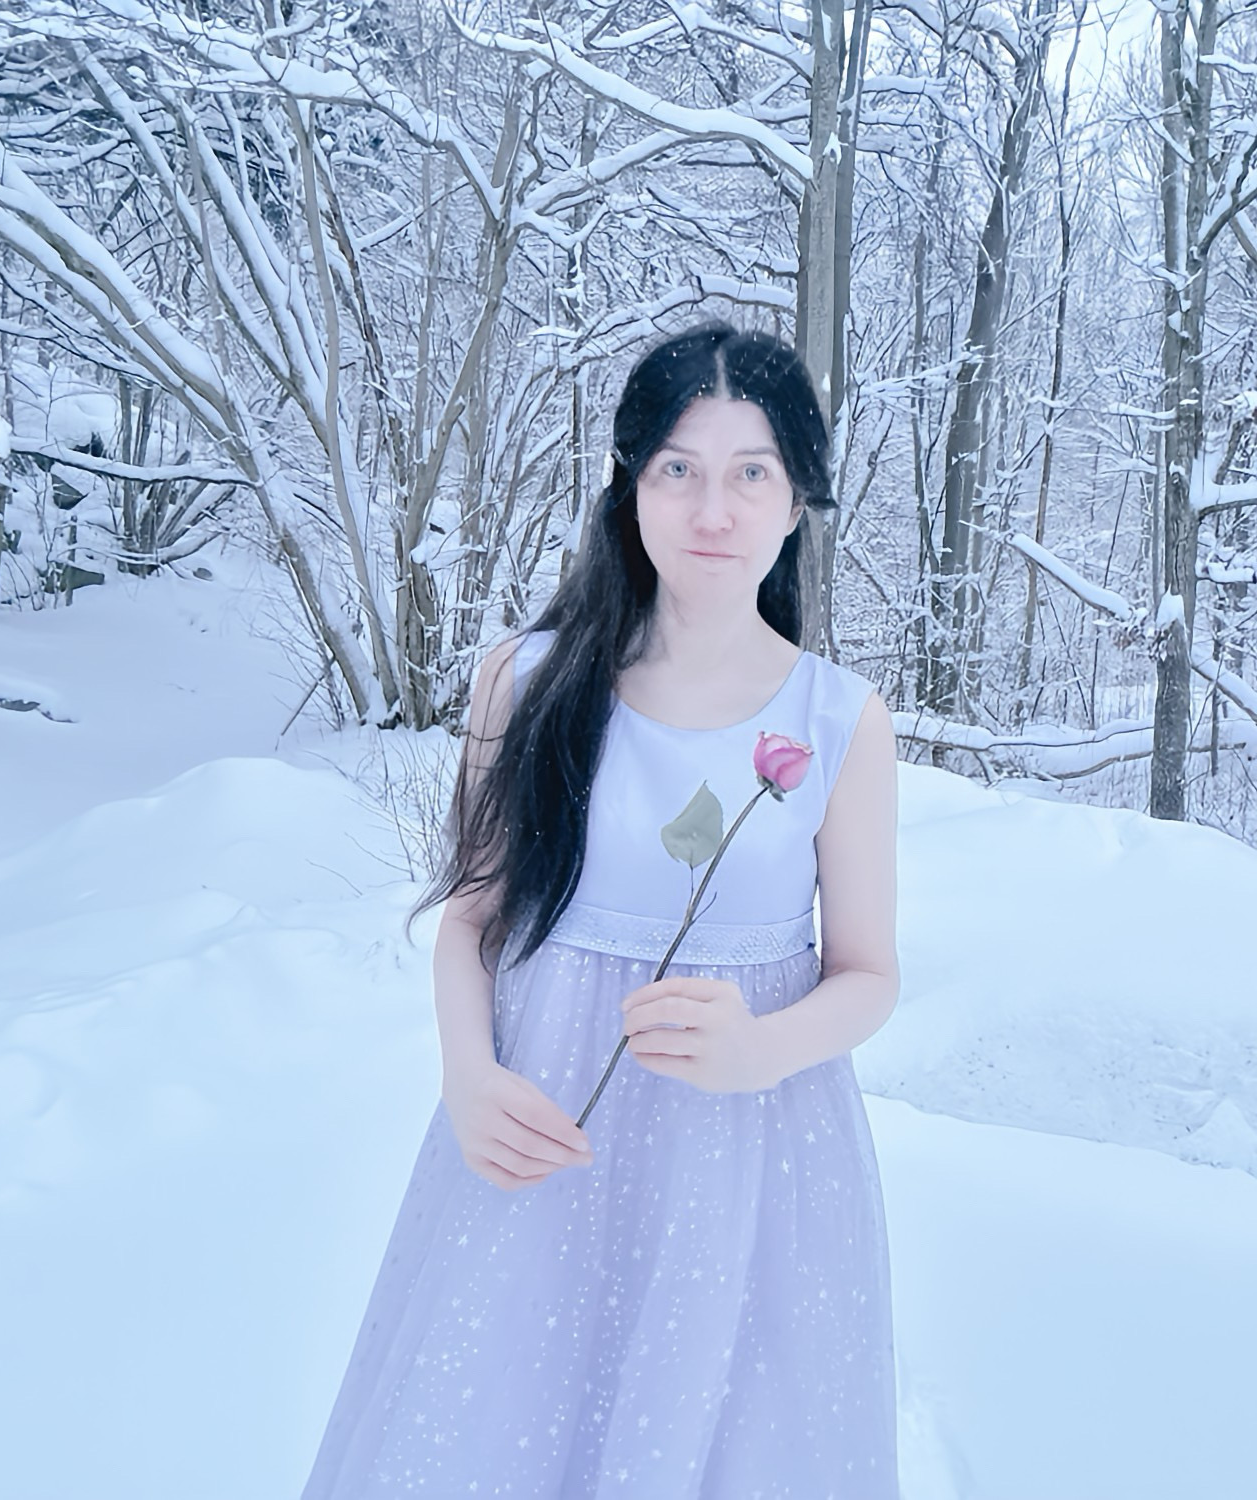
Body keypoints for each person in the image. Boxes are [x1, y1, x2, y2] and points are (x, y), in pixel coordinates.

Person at [298, 323, 900, 1497]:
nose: (711, 509)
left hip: (746, 1167)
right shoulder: (526, 681)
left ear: (795, 503)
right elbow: (472, 920)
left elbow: (868, 974)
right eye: (677, 467)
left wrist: (758, 1049)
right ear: (629, 484)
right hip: (540, 1145)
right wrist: (468, 1078)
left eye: (750, 472)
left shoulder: (837, 720)